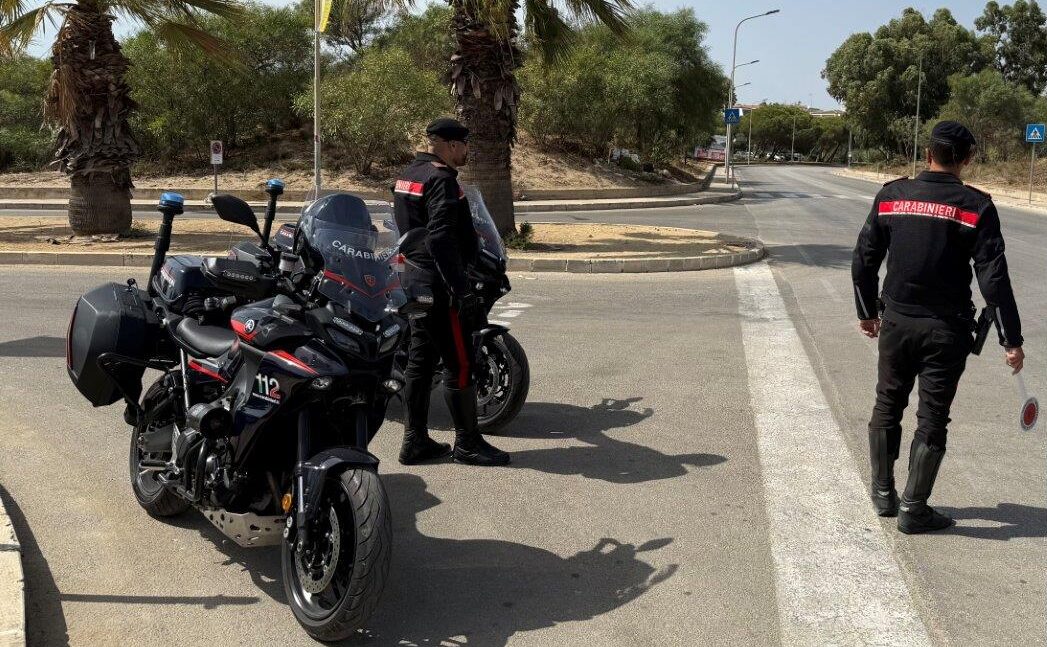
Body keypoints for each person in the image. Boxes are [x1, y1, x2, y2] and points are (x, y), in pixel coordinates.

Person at [852, 120, 1024, 534]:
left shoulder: (891, 195)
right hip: (946, 332)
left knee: (888, 403)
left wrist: (867, 312)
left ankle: (882, 494)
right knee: (933, 416)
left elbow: (863, 260)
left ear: (927, 153)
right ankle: (914, 508)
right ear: (966, 159)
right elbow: (993, 279)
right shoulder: (976, 206)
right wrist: (1011, 339)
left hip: (896, 323)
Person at [392, 117, 510, 467]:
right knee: (459, 364)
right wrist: (462, 290)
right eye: (464, 145)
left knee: (420, 361)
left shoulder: (408, 176)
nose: (467, 151)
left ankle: (415, 441)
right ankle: (468, 443)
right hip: (441, 284)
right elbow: (441, 238)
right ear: (450, 145)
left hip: (414, 278)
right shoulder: (442, 180)